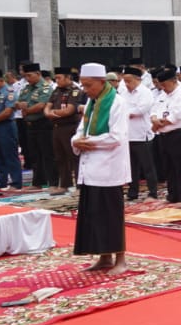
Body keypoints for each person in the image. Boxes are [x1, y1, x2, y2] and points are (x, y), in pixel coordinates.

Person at [71, 63, 131, 274]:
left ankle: (120, 259)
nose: (86, 90)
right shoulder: (92, 102)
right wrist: (76, 141)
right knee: (94, 214)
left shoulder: (117, 102)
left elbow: (117, 136)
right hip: (90, 167)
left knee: (111, 214)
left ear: (101, 82)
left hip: (109, 168)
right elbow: (81, 130)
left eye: (89, 85)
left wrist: (90, 142)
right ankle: (104, 257)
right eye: (84, 86)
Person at [150, 67, 181, 205]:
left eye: (165, 84)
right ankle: (173, 195)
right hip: (164, 135)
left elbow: (176, 116)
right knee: (168, 167)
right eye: (160, 85)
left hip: (179, 134)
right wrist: (154, 120)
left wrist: (158, 124)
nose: (162, 87)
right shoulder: (162, 95)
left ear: (174, 81)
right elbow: (154, 110)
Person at [121, 67, 159, 201]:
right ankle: (132, 192)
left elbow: (140, 110)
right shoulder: (123, 92)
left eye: (128, 81)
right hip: (128, 135)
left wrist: (127, 112)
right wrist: (127, 112)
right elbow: (119, 108)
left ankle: (153, 192)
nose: (126, 84)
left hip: (143, 135)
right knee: (131, 167)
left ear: (137, 79)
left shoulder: (145, 92)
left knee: (147, 166)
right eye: (124, 81)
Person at [16, 63, 55, 189]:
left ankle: (53, 181)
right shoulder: (27, 88)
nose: (27, 78)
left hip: (43, 124)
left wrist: (26, 109)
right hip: (30, 124)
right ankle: (38, 182)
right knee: (34, 154)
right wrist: (23, 107)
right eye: (25, 76)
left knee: (47, 154)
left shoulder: (45, 88)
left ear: (38, 74)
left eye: (29, 75)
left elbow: (41, 105)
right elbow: (19, 102)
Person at [44, 68, 83, 194]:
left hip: (70, 127)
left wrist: (53, 113)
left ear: (68, 78)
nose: (57, 80)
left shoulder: (75, 91)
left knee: (74, 157)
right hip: (57, 127)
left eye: (59, 78)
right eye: (56, 78)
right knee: (60, 157)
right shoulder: (56, 91)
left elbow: (69, 110)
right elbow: (47, 106)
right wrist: (48, 113)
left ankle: (79, 186)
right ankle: (64, 184)